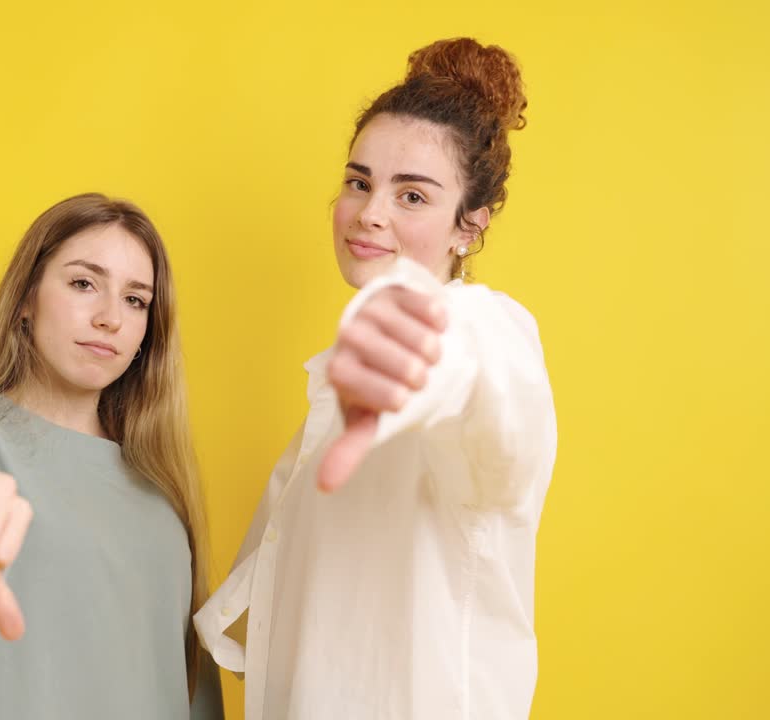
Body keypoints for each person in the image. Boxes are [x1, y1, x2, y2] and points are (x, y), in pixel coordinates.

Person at [194, 37, 558, 719]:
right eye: (359, 182)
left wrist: (429, 348)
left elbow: (482, 377)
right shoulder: (335, 397)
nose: (371, 213)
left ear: (469, 227)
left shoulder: (484, 337)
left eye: (412, 195)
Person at [0, 193, 224, 719]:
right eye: (84, 283)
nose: (110, 318)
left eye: (135, 300)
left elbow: (191, 687)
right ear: (26, 298)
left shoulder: (161, 485)